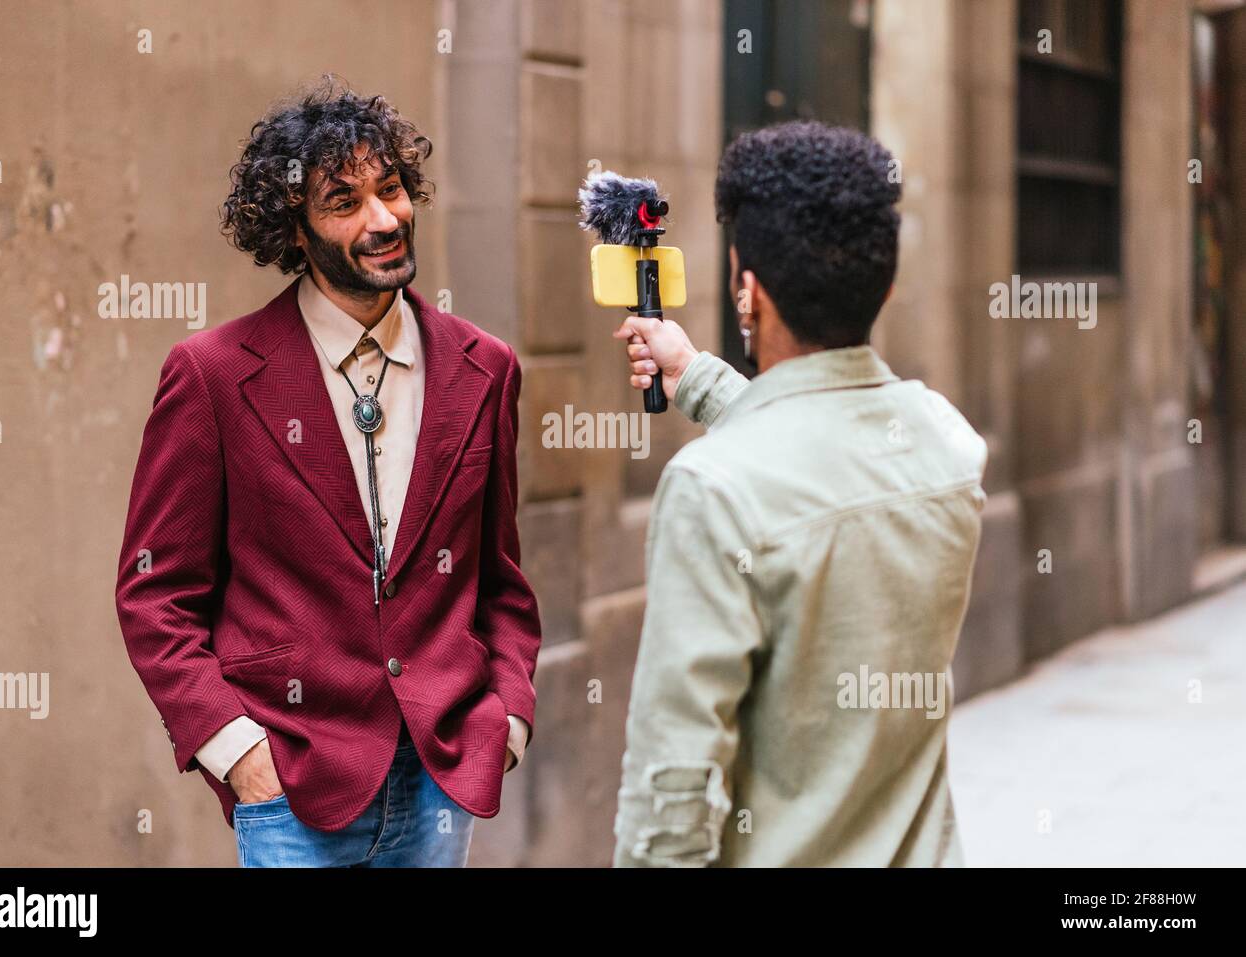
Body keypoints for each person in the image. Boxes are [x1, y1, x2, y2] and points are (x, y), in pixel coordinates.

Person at [115, 80, 541, 867]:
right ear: (296, 230)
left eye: (391, 190)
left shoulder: (488, 368)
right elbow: (154, 593)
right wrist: (238, 752)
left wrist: (505, 720)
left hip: (441, 780)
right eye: (344, 201)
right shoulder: (210, 375)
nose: (382, 219)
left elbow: (501, 581)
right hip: (292, 785)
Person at [610, 119, 988, 866]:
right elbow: (828, 457)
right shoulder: (947, 444)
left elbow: (673, 784)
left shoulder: (712, 492)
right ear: (883, 280)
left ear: (746, 291)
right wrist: (699, 376)